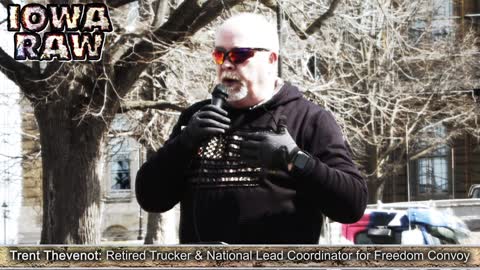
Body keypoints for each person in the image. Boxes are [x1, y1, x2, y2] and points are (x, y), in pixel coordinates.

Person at [135, 13, 367, 244]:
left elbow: (351, 206)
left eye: (239, 54)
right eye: (219, 55)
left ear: (271, 59)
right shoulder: (196, 117)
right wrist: (183, 144)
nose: (226, 64)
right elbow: (151, 199)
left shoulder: (309, 119)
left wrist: (296, 159)